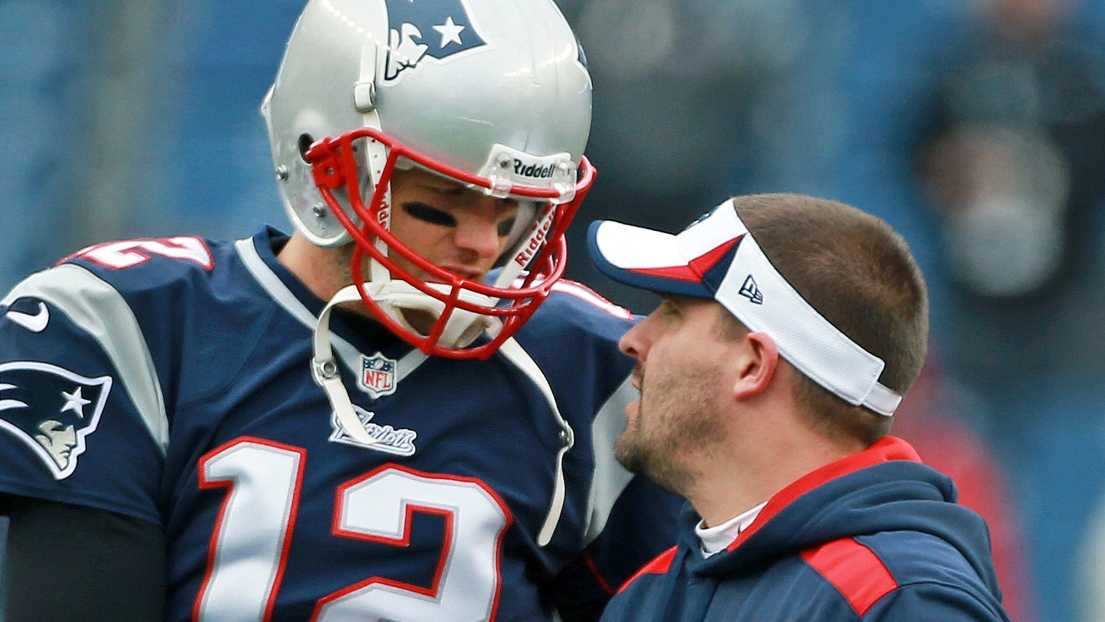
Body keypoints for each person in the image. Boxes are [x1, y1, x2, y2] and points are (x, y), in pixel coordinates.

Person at [0, 0, 682, 620]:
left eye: (513, 212)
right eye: (437, 202)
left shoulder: (596, 365)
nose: (481, 243)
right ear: (318, 159)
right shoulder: (131, 324)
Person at [586, 193, 1012, 621]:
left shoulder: (898, 599)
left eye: (673, 311)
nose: (633, 340)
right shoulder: (646, 596)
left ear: (752, 365)